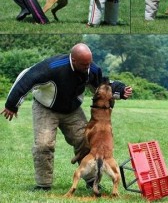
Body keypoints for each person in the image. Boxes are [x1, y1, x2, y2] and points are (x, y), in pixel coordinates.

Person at [1, 43, 133, 191]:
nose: (87, 67)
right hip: (46, 108)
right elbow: (27, 77)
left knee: (85, 141)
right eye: (84, 64)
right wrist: (12, 104)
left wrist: (121, 91)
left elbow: (102, 85)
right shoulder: (52, 67)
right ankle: (43, 185)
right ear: (74, 60)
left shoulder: (90, 68)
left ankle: (92, 181)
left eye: (89, 63)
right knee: (44, 144)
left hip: (72, 110)